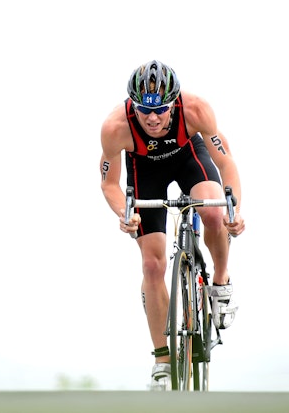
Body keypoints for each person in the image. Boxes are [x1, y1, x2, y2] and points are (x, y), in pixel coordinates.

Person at [99, 60, 245, 390]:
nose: (152, 118)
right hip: (144, 169)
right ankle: (162, 361)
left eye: (160, 110)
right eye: (143, 110)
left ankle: (221, 280)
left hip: (188, 156)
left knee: (213, 213)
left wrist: (234, 210)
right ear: (133, 106)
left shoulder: (196, 109)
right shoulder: (115, 127)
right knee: (152, 265)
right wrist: (124, 212)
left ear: (174, 103)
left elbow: (226, 162)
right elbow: (109, 183)